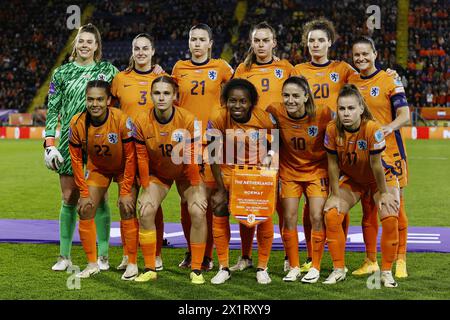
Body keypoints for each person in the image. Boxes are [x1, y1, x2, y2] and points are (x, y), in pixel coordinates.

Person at [292, 18, 399, 273]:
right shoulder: (297, 70)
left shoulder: (344, 69)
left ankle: (346, 255)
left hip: (338, 145)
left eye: (320, 40)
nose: (316, 44)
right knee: (312, 205)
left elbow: (368, 76)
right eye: (311, 40)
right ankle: (311, 255)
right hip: (307, 148)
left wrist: (390, 75)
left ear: (330, 42)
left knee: (337, 202)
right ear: (306, 44)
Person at [44, 23, 118, 271]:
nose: (85, 45)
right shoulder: (61, 73)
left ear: (97, 46)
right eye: (81, 41)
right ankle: (64, 256)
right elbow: (53, 111)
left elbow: (125, 92)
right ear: (76, 44)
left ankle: (104, 255)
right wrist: (49, 144)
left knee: (101, 198)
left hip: (100, 141)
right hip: (67, 141)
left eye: (90, 41)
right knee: (68, 198)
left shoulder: (108, 71)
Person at [323, 84, 400, 288]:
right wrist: (334, 194)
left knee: (390, 215)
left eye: (350, 108)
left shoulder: (372, 128)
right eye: (342, 109)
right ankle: (339, 269)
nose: (346, 113)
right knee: (332, 214)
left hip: (380, 178)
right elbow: (332, 163)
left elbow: (376, 165)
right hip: (354, 178)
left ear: (361, 109)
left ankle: (386, 272)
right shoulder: (332, 129)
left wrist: (384, 193)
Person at [133, 75, 208, 284]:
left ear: (175, 96)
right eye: (157, 93)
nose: (161, 98)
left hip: (186, 171)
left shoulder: (188, 119)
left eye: (166, 93)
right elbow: (141, 157)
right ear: (151, 95)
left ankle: (196, 268)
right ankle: (150, 267)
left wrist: (196, 187)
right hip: (160, 173)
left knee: (197, 210)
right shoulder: (141, 121)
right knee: (146, 209)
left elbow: (192, 158)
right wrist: (146, 186)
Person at [232, 21, 294, 273]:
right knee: (249, 200)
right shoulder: (242, 69)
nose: (260, 45)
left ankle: (290, 258)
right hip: (249, 144)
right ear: (251, 42)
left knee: (280, 202)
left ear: (274, 43)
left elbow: (299, 95)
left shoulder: (286, 68)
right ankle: (246, 257)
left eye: (265, 40)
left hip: (280, 141)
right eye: (257, 40)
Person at [172, 24, 234, 270]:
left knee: (206, 200)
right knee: (186, 202)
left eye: (201, 40)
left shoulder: (221, 68)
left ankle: (207, 255)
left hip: (212, 141)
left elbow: (239, 90)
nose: (197, 44)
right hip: (185, 142)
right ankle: (190, 250)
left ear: (210, 44)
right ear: (189, 43)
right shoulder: (179, 68)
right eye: (193, 39)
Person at [348, 36, 410, 278]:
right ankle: (371, 260)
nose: (361, 58)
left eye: (366, 53)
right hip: (364, 155)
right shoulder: (351, 80)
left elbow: (405, 115)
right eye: (357, 55)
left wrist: (388, 127)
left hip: (391, 153)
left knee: (395, 206)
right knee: (368, 208)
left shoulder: (389, 80)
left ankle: (401, 258)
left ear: (375, 54)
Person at [207, 78, 277, 284]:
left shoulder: (264, 118)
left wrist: (269, 157)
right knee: (219, 205)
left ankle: (262, 267)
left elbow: (276, 143)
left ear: (251, 103)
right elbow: (212, 155)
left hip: (255, 175)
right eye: (232, 101)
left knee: (263, 213)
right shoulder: (218, 118)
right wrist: (220, 188)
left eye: (243, 101)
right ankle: (224, 267)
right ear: (226, 102)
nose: (237, 106)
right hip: (228, 173)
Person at [68, 80, 137, 279]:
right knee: (85, 208)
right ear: (86, 100)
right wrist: (83, 192)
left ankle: (131, 261)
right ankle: (92, 264)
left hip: (124, 168)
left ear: (108, 100)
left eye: (99, 99)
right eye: (90, 99)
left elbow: (131, 156)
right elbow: (75, 160)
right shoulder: (78, 122)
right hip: (98, 168)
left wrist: (124, 191)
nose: (95, 104)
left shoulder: (122, 119)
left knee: (127, 206)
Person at [266, 76, 332, 283]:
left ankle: (315, 267)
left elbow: (347, 123)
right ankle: (294, 266)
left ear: (306, 97)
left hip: (316, 172)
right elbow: (271, 139)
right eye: (286, 95)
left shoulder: (324, 113)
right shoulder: (274, 112)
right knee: (289, 217)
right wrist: (270, 153)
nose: (290, 100)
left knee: (316, 217)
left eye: (296, 96)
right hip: (289, 173)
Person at [111, 33, 166, 272]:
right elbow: (111, 112)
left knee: (151, 204)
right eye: (137, 48)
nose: (141, 52)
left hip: (154, 150)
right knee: (126, 203)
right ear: (132, 51)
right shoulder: (120, 78)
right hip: (126, 151)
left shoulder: (163, 78)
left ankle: (156, 255)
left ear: (153, 51)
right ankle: (127, 253)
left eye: (145, 48)